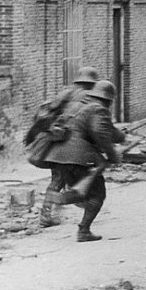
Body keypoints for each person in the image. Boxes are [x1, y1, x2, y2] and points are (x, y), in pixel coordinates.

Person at [40, 80, 121, 242]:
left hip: (59, 156)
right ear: (109, 100)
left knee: (82, 190)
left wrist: (121, 136)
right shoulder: (99, 109)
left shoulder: (79, 106)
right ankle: (83, 230)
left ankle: (59, 198)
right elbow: (100, 132)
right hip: (78, 157)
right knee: (98, 194)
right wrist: (113, 155)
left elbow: (105, 130)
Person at [26, 66, 100, 228]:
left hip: (55, 142)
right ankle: (80, 206)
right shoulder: (90, 98)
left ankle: (47, 214)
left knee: (58, 178)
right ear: (93, 83)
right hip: (72, 146)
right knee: (77, 179)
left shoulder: (66, 92)